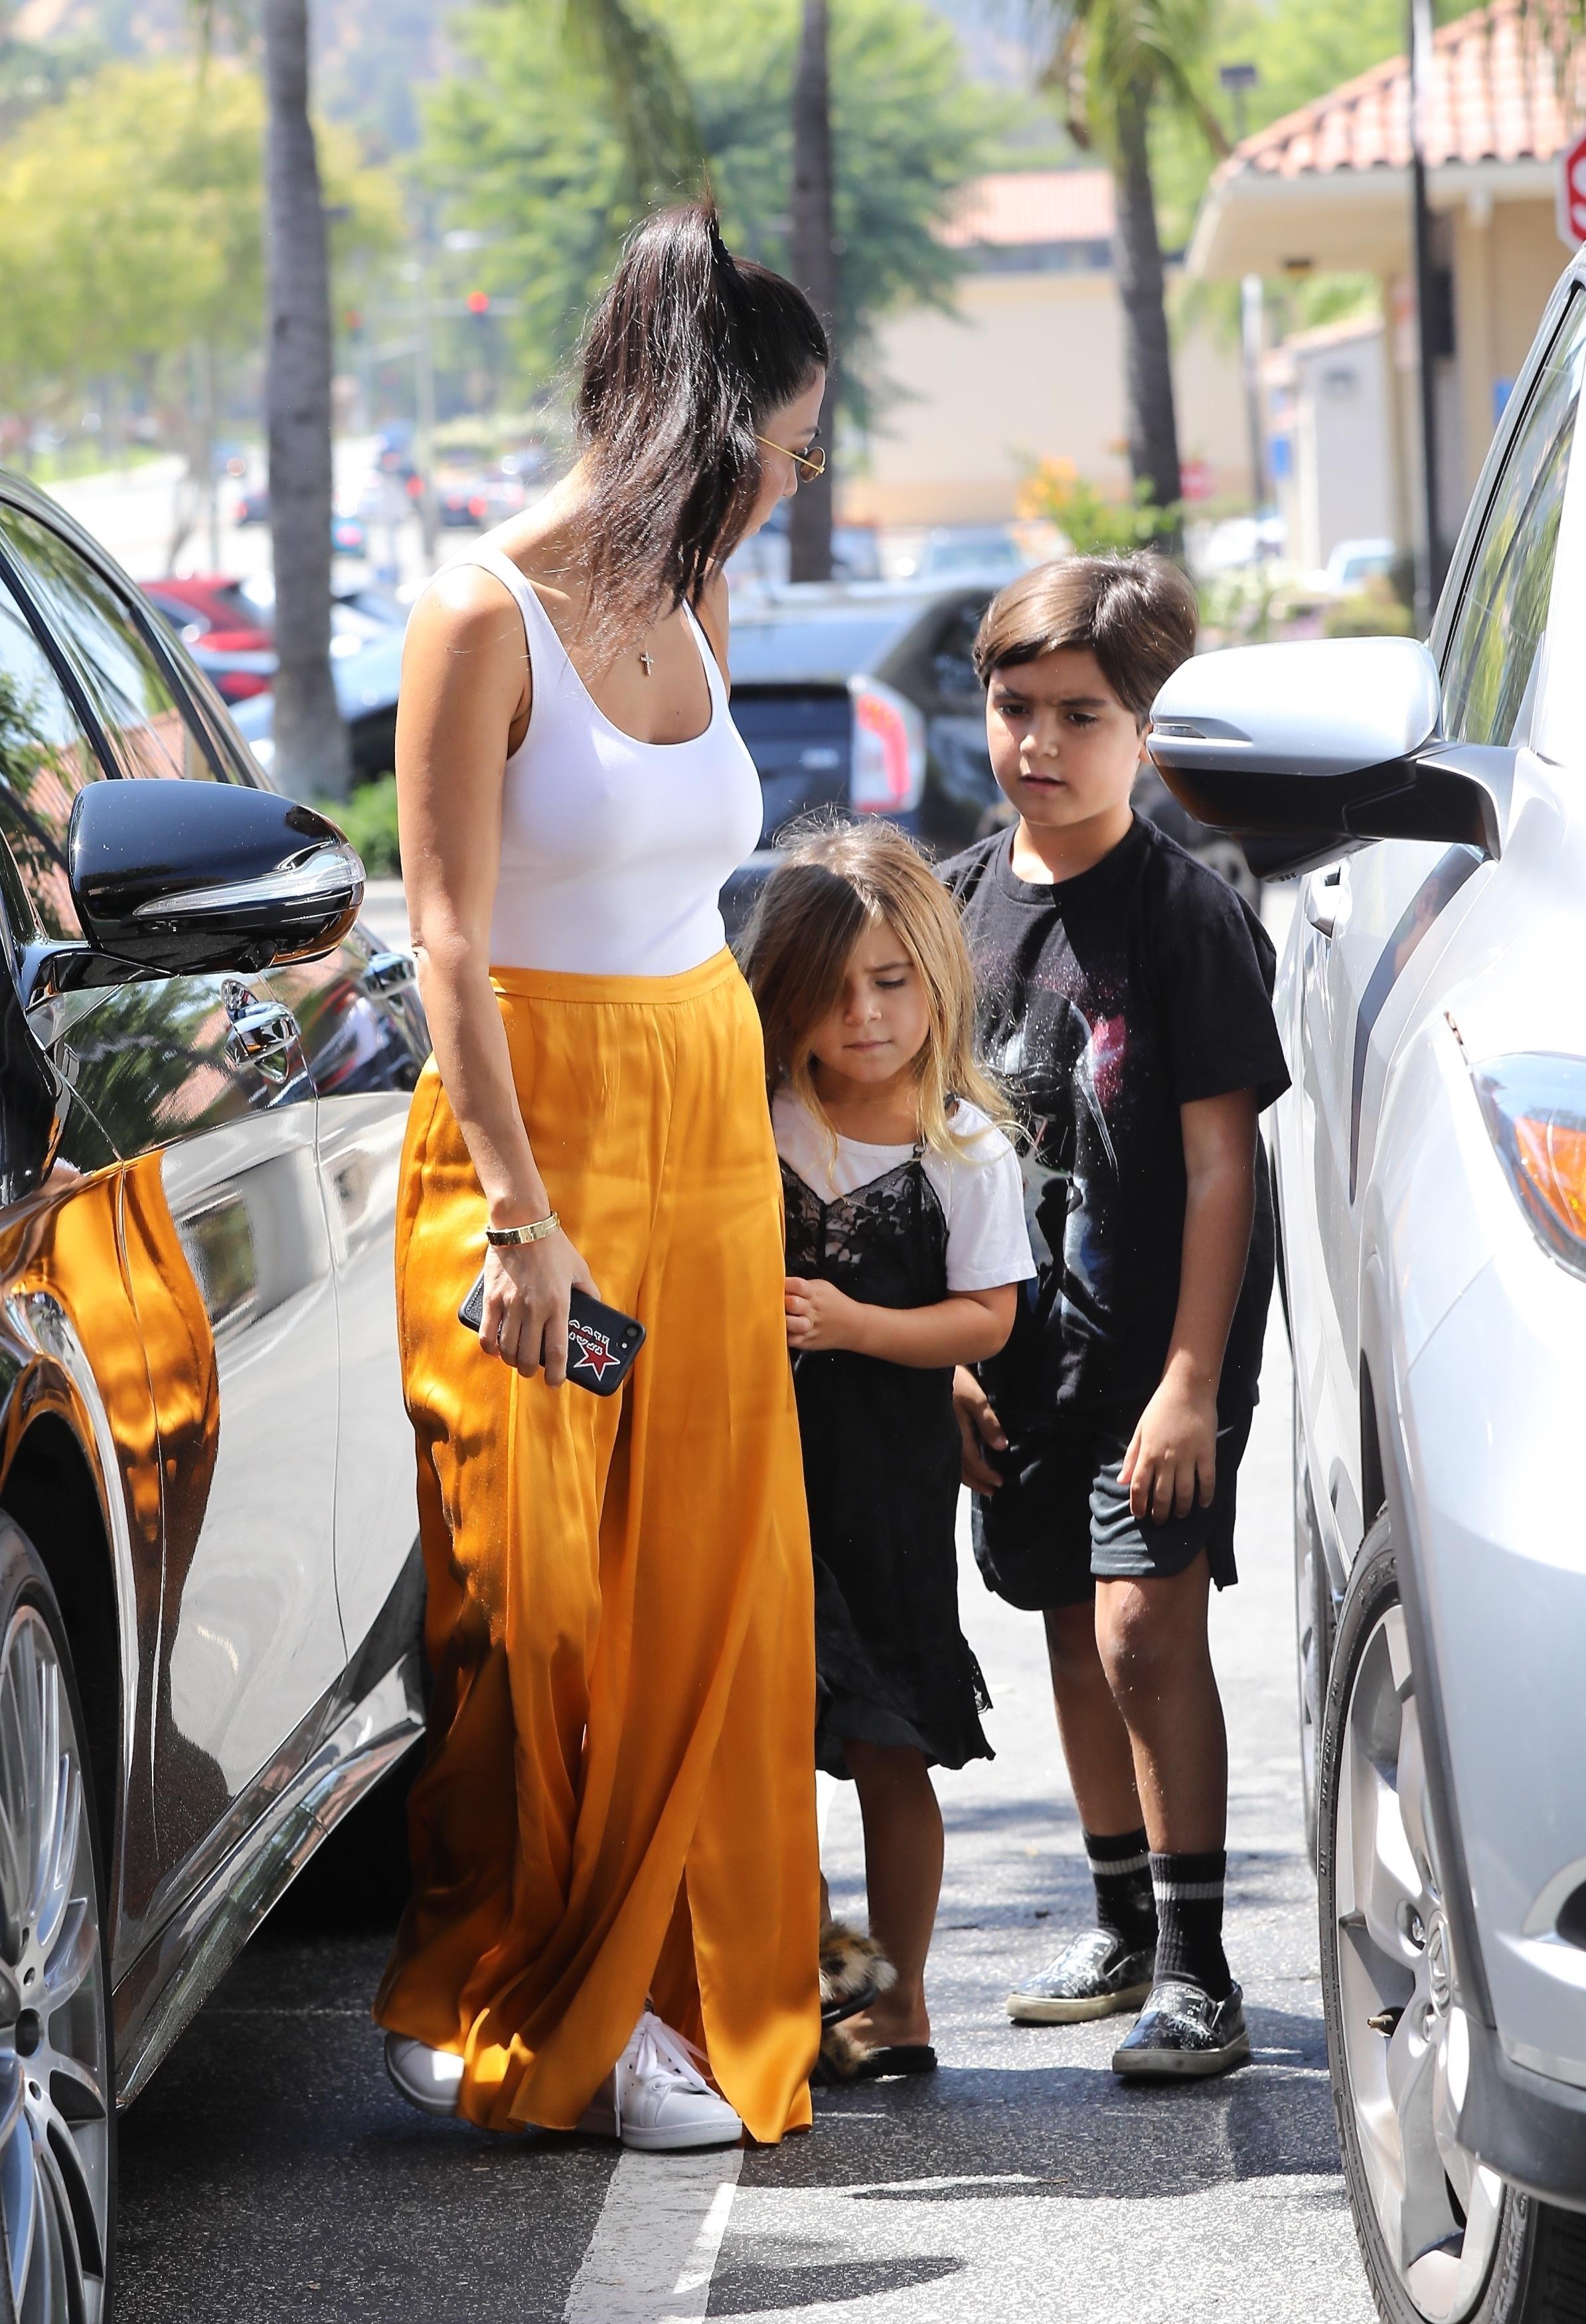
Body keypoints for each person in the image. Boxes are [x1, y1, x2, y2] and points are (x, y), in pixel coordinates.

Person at [374, 202, 830, 2151]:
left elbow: (691, 882)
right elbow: (447, 939)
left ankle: (657, 1993)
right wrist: (521, 1210)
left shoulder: (696, 599)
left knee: (701, 1580)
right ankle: (486, 1962)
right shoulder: (479, 610)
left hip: (699, 1108)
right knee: (532, 1590)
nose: (795, 489)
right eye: (790, 451)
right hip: (531, 1138)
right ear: (712, 430)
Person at [941, 555, 1290, 2080]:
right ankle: (1119, 1917)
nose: (1040, 743)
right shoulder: (948, 904)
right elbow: (933, 1146)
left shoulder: (1184, 915)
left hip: (1161, 1352)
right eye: (1015, 707)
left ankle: (1198, 1962)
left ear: (1144, 729)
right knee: (1069, 1629)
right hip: (1014, 1355)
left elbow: (1225, 1169)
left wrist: (1192, 1384)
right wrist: (950, 1355)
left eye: (1082, 715)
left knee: (1149, 1626)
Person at [742, 822, 1034, 2079]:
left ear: (935, 978)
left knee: (887, 1750)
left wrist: (862, 1325)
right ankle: (804, 1969)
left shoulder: (961, 1146)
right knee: (756, 1743)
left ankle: (900, 1999)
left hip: (883, 1492)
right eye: (832, 990)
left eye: (891, 983)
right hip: (757, 1481)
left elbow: (990, 1317)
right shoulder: (757, 1120)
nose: (863, 1017)